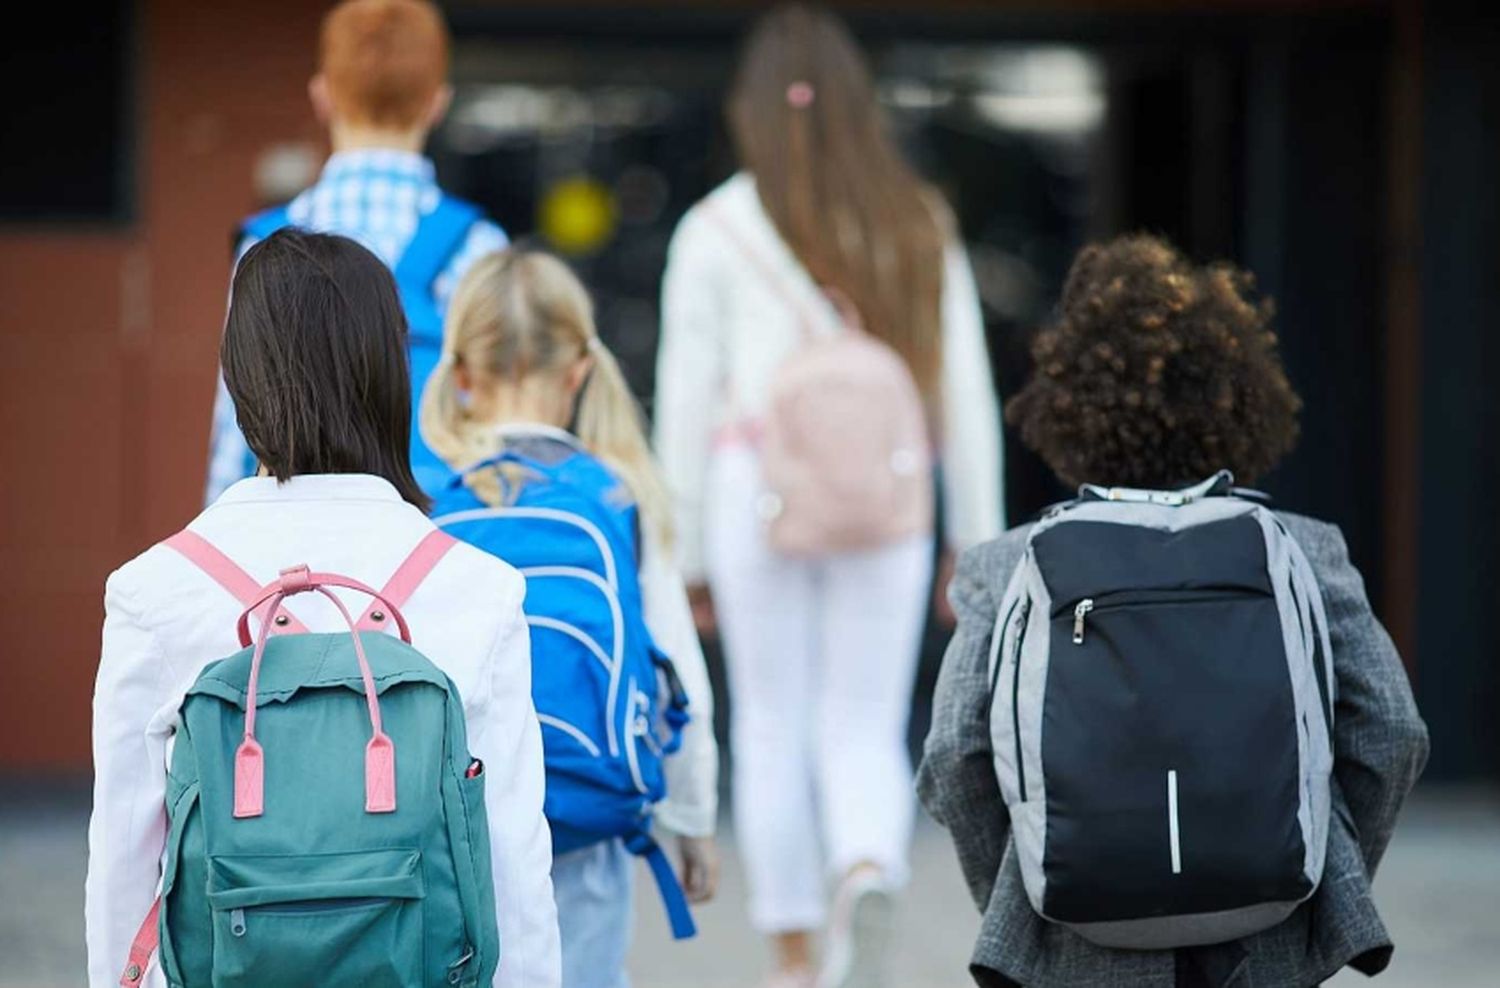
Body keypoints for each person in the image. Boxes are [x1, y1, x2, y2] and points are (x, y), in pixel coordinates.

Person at [916, 234, 1430, 988]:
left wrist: (1031, 890)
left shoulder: (1009, 563)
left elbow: (952, 758)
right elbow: (1391, 730)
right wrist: (1311, 865)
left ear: (1066, 405)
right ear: (1246, 400)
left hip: (1077, 943)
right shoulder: (1306, 550)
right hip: (1268, 936)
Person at [87, 230, 561, 988]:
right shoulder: (478, 587)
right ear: (393, 373)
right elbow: (512, 866)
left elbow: (123, 861)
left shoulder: (153, 589)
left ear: (241, 378)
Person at [653, 5, 1005, 985]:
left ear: (752, 108)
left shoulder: (715, 227)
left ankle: (797, 955)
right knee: (863, 714)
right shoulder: (916, 218)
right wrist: (974, 543)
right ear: (860, 105)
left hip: (753, 490)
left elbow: (683, 403)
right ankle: (865, 864)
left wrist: (678, 558)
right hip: (888, 498)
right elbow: (964, 394)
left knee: (768, 718)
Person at [421, 249, 721, 988]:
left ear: (461, 375)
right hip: (588, 809)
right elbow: (676, 671)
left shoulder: (431, 503)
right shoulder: (618, 498)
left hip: (462, 817)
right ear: (580, 371)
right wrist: (691, 818)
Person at [206, 0, 507, 502]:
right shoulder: (477, 246)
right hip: (434, 542)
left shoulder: (265, 247)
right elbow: (496, 423)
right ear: (438, 102)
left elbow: (231, 427)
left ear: (322, 96)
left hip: (297, 552)